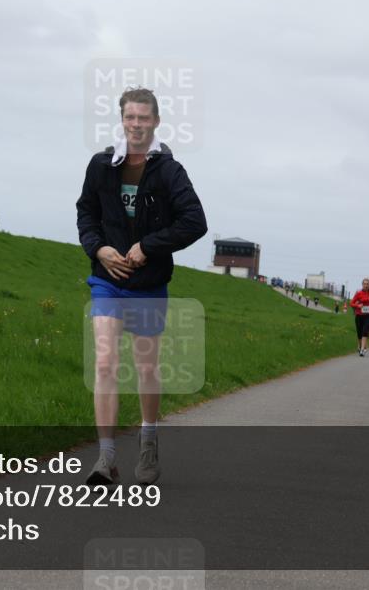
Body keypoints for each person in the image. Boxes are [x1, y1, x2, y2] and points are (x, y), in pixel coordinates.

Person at [76, 87, 207, 486]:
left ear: (156, 122)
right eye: (130, 118)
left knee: (146, 369)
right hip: (107, 282)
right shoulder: (101, 165)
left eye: (143, 118)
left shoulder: (170, 171)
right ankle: (106, 456)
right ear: (122, 120)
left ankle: (148, 442)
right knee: (104, 363)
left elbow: (194, 222)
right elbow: (87, 213)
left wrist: (147, 247)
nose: (136, 125)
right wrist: (99, 250)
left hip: (148, 284)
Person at [350, 278, 369, 357]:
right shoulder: (358, 293)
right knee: (359, 333)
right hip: (359, 315)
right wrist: (357, 305)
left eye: (367, 284)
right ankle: (359, 345)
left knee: (365, 331)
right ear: (362, 285)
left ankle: (362, 349)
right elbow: (351, 303)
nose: (366, 285)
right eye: (364, 284)